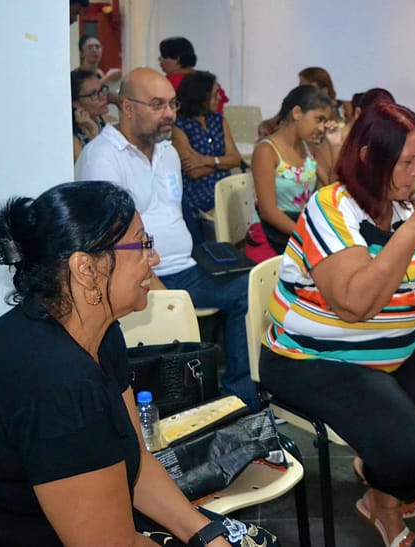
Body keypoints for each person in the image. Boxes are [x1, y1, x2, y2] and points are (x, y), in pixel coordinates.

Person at [0, 181, 277, 546]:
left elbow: (134, 460)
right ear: (86, 268)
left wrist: (205, 533)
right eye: (142, 244)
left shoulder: (96, 331)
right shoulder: (60, 385)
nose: (153, 259)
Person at [259, 101, 415, 547]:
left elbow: (411, 287)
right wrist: (414, 232)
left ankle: (382, 485)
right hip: (315, 357)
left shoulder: (401, 209)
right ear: (369, 157)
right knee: (412, 450)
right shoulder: (330, 209)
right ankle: (387, 498)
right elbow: (354, 304)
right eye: (407, 162)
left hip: (399, 344)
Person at [75, 67, 256, 410]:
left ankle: (240, 398)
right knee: (175, 312)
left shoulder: (169, 153)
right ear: (127, 107)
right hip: (137, 275)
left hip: (186, 268)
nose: (170, 114)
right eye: (157, 105)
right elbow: (108, 242)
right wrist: (156, 283)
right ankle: (183, 403)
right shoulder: (102, 158)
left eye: (172, 104)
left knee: (251, 286)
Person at [251, 85, 333, 254]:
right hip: (271, 234)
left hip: (298, 230)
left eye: (325, 122)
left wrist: (333, 144)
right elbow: (268, 212)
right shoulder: (266, 151)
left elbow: (329, 188)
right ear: (297, 113)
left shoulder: (310, 149)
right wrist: (306, 235)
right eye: (318, 119)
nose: (321, 128)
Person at [172, 70, 242, 229]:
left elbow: (236, 159)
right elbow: (193, 171)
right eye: (215, 94)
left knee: (247, 200)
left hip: (226, 186)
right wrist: (222, 164)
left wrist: (205, 161)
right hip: (199, 191)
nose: (219, 98)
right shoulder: (179, 125)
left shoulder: (218, 120)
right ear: (201, 96)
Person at [159, 36, 229, 114]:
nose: (160, 61)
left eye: (163, 57)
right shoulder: (208, 80)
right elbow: (219, 112)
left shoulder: (166, 83)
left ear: (177, 59)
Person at [71, 68, 116, 161]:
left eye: (102, 90)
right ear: (75, 103)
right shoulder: (72, 139)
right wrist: (93, 133)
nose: (103, 97)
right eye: (93, 94)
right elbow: (92, 170)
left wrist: (119, 102)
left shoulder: (109, 122)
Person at [78, 34, 122, 104]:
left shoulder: (99, 73)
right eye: (90, 47)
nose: (94, 50)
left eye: (97, 47)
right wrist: (107, 78)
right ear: (82, 52)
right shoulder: (77, 75)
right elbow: (88, 93)